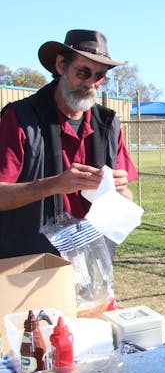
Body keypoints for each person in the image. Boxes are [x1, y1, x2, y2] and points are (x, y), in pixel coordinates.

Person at [0, 29, 139, 258]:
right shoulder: (20, 119)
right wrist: (54, 184)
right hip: (30, 263)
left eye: (99, 76)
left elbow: (126, 194)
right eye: (83, 72)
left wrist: (119, 192)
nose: (91, 83)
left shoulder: (108, 123)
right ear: (61, 65)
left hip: (91, 263)